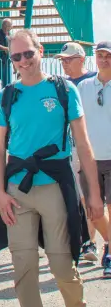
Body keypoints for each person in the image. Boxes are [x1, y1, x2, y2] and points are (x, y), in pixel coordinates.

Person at [0, 28, 103, 307]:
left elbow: (83, 145)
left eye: (29, 54)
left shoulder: (62, 89)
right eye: (16, 56)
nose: (23, 61)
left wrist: (93, 196)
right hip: (17, 190)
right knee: (23, 269)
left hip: (54, 183)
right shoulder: (7, 96)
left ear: (41, 52)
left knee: (60, 263)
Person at [57, 42, 99, 262]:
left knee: (92, 197)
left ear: (81, 59)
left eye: (68, 59)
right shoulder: (60, 86)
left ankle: (92, 242)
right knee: (75, 198)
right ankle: (82, 241)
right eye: (62, 60)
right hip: (69, 148)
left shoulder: (94, 82)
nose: (64, 64)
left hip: (93, 147)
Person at [77, 40, 111, 278]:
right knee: (94, 211)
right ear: (94, 58)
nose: (104, 59)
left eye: (108, 55)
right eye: (100, 55)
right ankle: (109, 242)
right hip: (89, 159)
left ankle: (109, 251)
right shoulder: (84, 87)